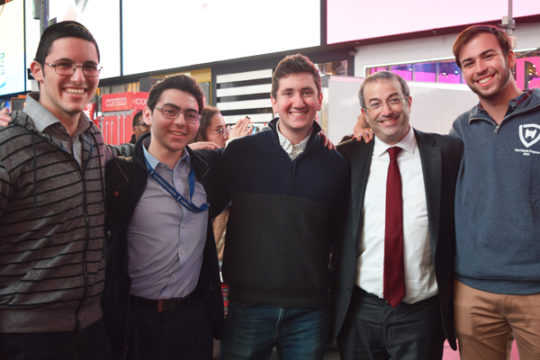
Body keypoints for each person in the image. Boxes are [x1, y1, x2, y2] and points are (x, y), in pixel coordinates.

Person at [0, 21, 128, 359]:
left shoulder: (93, 138)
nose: (78, 76)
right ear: (37, 71)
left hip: (93, 328)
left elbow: (121, 158)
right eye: (64, 65)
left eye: (88, 66)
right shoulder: (8, 149)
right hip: (26, 337)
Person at [216, 53, 349, 360]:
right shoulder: (239, 154)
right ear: (274, 101)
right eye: (288, 93)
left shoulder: (336, 164)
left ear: (319, 99)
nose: (297, 102)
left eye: (306, 92)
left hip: (309, 311)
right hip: (247, 306)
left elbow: (336, 233)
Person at [331, 71, 462, 360]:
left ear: (409, 102)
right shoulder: (347, 156)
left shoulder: (447, 152)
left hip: (421, 314)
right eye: (375, 104)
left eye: (394, 100)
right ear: (365, 113)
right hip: (360, 312)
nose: (386, 111)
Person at [102, 74, 224, 360]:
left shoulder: (207, 170)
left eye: (190, 115)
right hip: (136, 320)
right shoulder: (122, 174)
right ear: (148, 113)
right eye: (170, 111)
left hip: (193, 320)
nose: (180, 121)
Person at [450, 24, 540, 360]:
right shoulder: (461, 128)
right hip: (475, 291)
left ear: (510, 57)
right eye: (468, 63)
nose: (480, 68)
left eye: (488, 56)